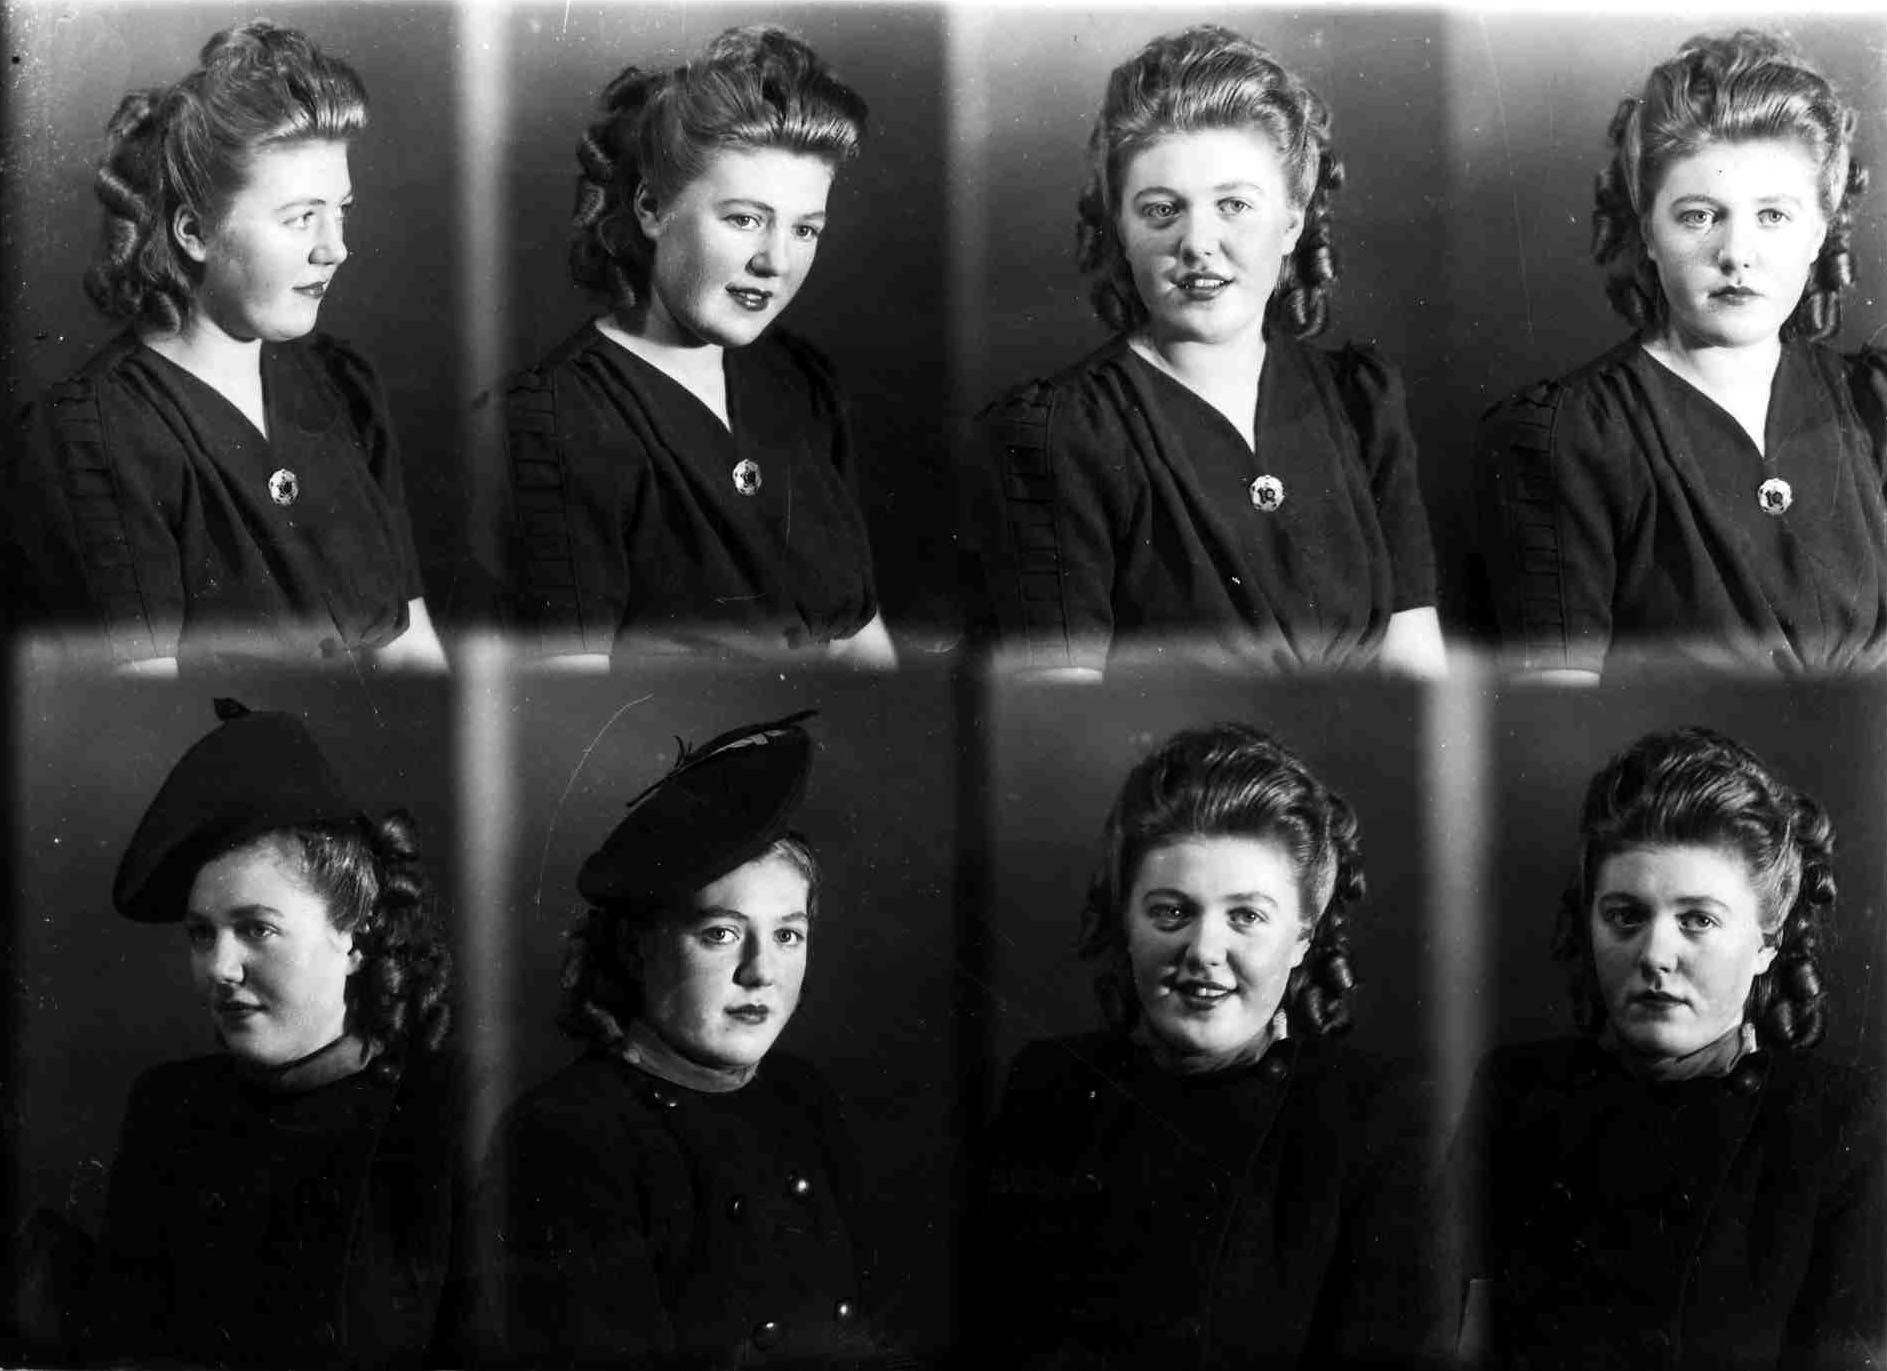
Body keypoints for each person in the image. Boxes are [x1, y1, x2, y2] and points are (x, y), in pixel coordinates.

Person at [963, 26, 1443, 678]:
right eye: (1162, 210)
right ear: (1120, 228)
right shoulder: (1056, 435)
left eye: (1234, 205)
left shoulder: (1361, 401)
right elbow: (1063, 711)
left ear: (1291, 222)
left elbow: (1415, 670)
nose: (1198, 243)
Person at [967, 723, 1439, 1367]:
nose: (1204, 952)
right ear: (1126, 922)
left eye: (1247, 916)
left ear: (1302, 938)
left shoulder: (1373, 1117)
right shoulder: (1048, 1087)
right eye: (1171, 912)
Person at [3, 21, 446, 672]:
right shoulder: (92, 438)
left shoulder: (345, 386)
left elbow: (412, 648)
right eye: (301, 217)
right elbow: (146, 711)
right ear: (195, 232)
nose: (335, 248)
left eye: (341, 210)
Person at [1451, 728, 1885, 1368]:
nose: (1656, 954)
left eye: (1698, 920)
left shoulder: (1840, 1124)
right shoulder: (1516, 1094)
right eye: (1626, 916)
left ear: (1767, 943)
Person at [471, 712, 889, 1366]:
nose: (761, 971)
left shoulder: (802, 1097)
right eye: (721, 934)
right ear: (637, 947)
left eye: (787, 934)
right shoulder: (565, 1133)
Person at [1477, 31, 1887, 678]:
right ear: (1647, 229)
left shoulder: (1873, 407)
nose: (1736, 254)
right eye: (1699, 216)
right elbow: (1560, 708)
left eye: (1773, 216)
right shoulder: (1566, 436)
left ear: (1818, 230)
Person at [498, 28, 895, 668]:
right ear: (652, 207)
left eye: (805, 229)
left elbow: (862, 639)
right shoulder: (555, 419)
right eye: (744, 219)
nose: (776, 262)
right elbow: (571, 696)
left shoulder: (801, 379)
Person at [87, 698, 459, 1367]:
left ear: (355, 939)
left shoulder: (443, 1117)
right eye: (201, 934)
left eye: (256, 928)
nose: (219, 968)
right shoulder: (168, 1110)